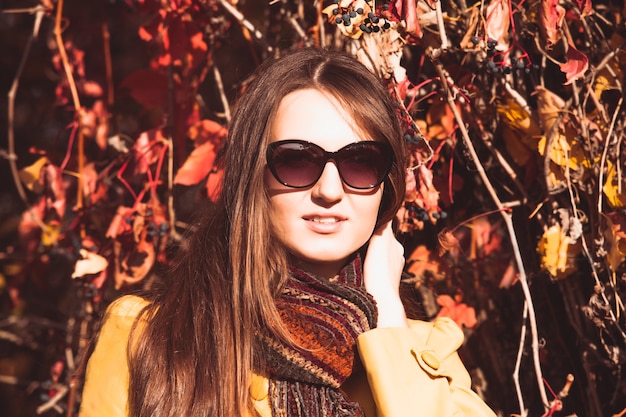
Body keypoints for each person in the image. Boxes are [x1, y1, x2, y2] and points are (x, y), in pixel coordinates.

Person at [78, 47, 497, 417]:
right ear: (252, 176)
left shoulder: (421, 352)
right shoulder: (150, 337)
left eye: (360, 162)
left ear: (385, 185)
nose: (329, 191)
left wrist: (387, 314)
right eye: (297, 160)